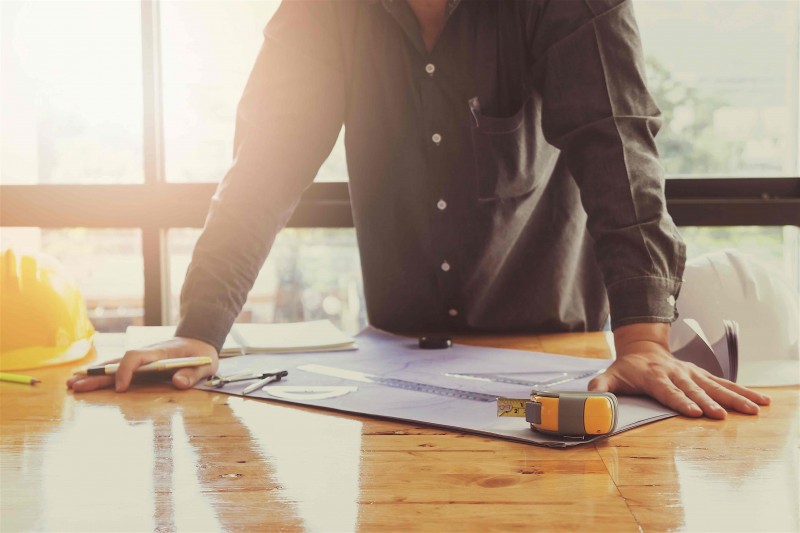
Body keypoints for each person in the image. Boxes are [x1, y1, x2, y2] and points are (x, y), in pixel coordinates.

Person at [68, 0, 770, 418]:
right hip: (395, 370)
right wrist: (201, 328)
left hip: (552, 357)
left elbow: (616, 147)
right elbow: (263, 168)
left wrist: (645, 340)